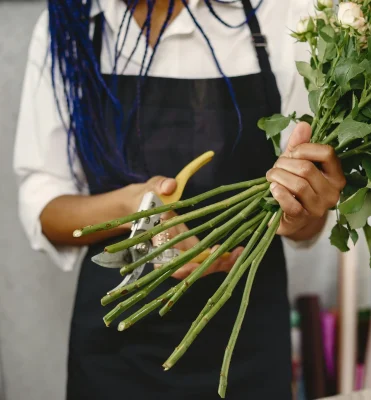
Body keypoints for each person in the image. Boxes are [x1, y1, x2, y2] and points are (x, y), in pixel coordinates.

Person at [13, 0, 345, 399]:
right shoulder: (71, 26)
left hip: (246, 344)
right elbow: (45, 205)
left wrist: (300, 208)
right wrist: (141, 208)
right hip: (115, 353)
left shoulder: (285, 15)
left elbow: (306, 222)